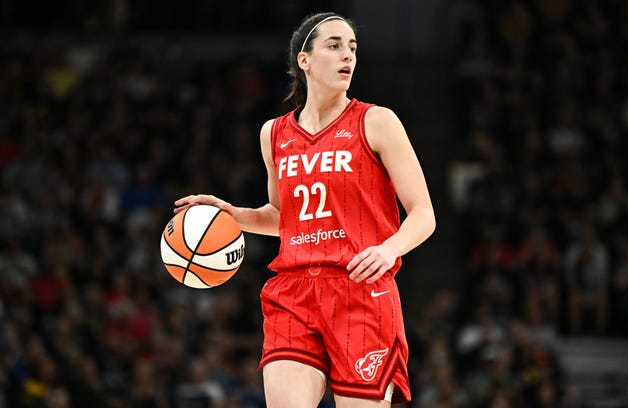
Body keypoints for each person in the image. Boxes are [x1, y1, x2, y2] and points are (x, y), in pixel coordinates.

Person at [174, 12, 435, 407]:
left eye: (352, 47)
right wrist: (232, 215)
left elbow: (423, 213)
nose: (347, 55)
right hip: (293, 292)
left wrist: (388, 249)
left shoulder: (377, 122)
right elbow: (285, 219)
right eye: (334, 46)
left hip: (361, 291)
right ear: (304, 60)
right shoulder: (274, 133)